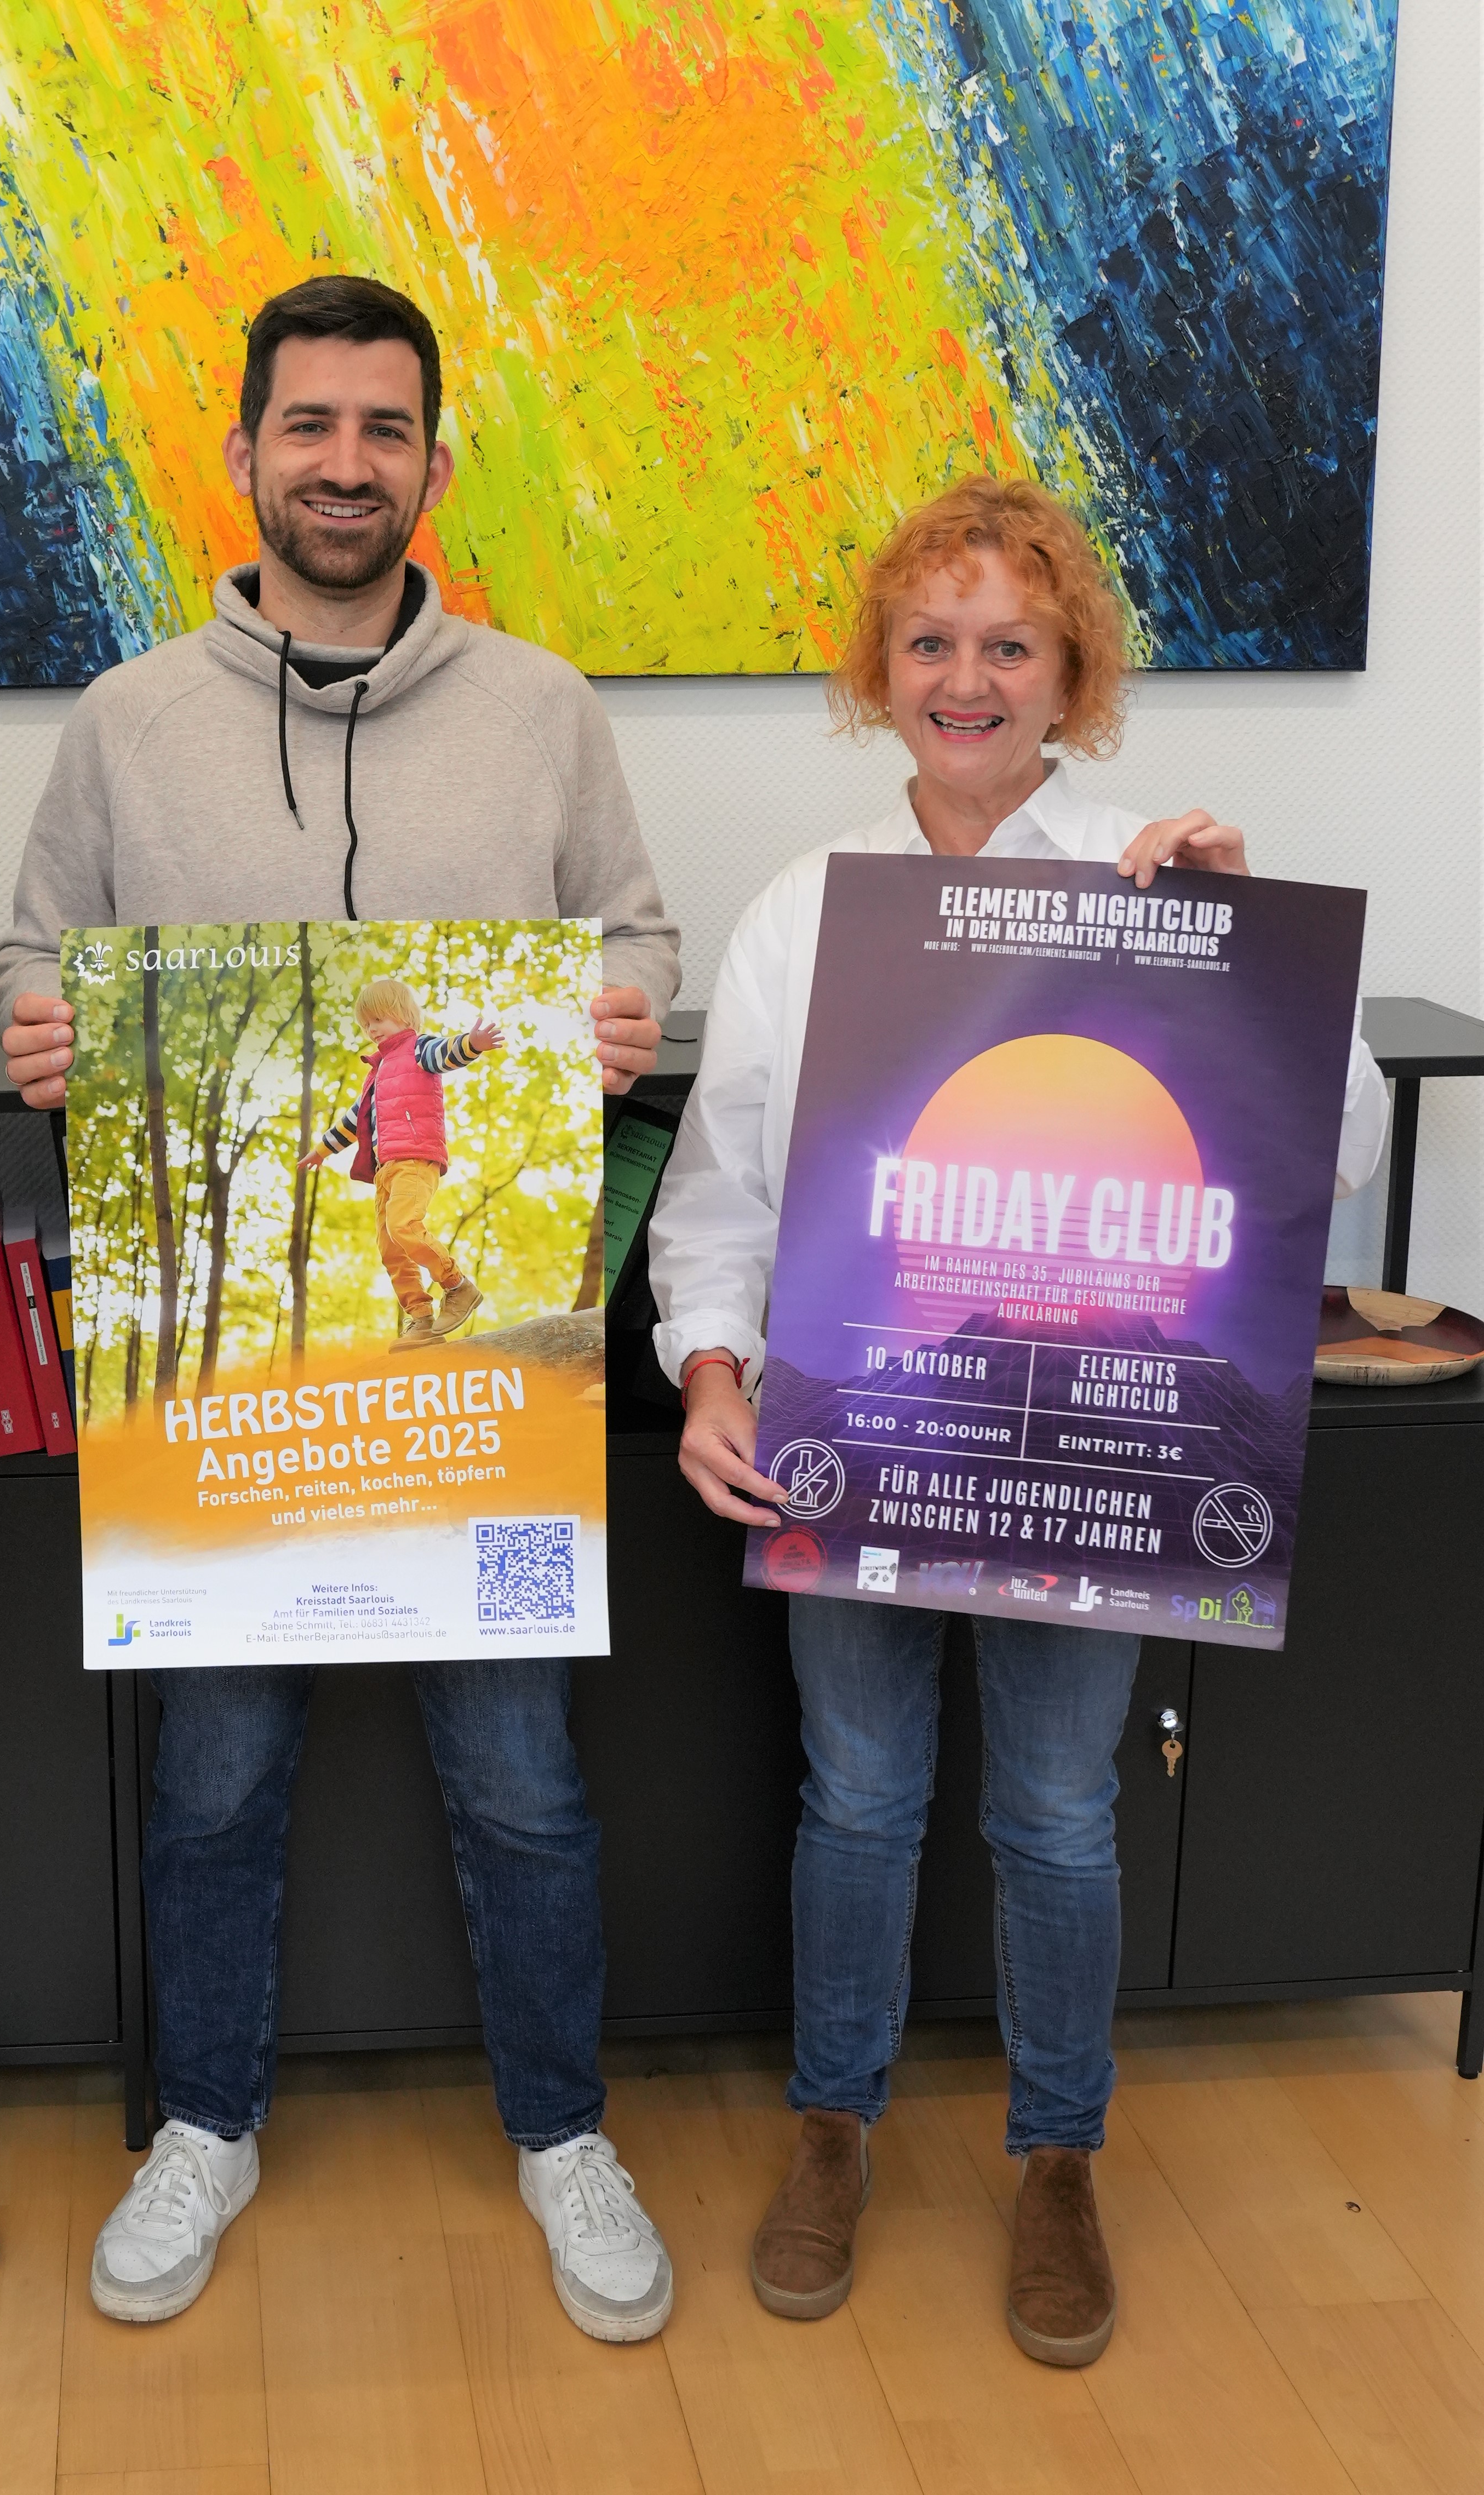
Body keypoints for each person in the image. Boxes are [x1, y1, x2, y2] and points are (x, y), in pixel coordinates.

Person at [0, 274, 683, 2343]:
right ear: (245, 455)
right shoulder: (127, 719)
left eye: (384, 429)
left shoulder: (543, 709)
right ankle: (203, 2124)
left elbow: (634, 942)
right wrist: (44, 1027)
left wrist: (616, 1012)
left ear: (431, 465)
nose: (345, 464)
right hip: (222, 1382)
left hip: (480, 1390)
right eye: (309, 425)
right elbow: (34, 955)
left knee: (522, 1780)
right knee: (212, 1779)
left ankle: (560, 2131)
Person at [649, 474, 1388, 2367]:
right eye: (930, 641)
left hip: (1094, 1445)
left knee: (1058, 1810)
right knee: (857, 1796)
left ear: (1072, 674)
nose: (964, 677)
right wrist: (713, 1372)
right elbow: (720, 1193)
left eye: (1008, 643)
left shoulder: (1156, 874)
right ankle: (833, 2128)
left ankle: (1059, 2157)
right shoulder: (806, 911)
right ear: (878, 669)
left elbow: (1339, 1151)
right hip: (864, 1426)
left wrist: (1245, 943)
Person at [296, 974, 502, 1343]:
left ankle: (457, 1286)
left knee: (404, 1225)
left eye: (378, 1019)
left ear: (404, 1015)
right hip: (385, 1169)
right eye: (366, 1024)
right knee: (390, 1247)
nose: (372, 1029)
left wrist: (472, 1044)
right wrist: (322, 1149)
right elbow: (355, 1119)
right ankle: (420, 1318)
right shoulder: (377, 1073)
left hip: (415, 1158)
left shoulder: (418, 1048)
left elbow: (445, 1053)